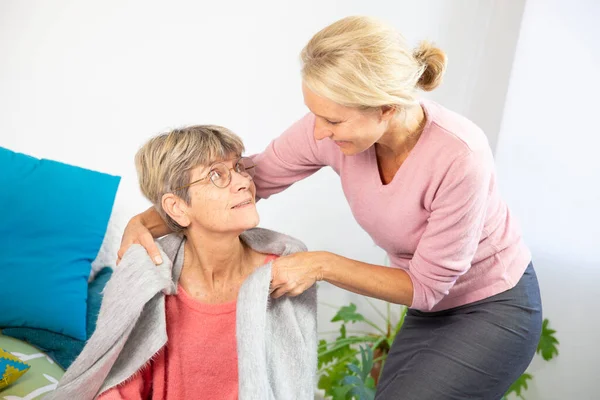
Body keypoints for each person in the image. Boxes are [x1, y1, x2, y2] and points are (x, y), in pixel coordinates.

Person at [118, 16, 542, 399]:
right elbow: (251, 179)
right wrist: (151, 219)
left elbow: (427, 288)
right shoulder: (331, 127)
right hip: (429, 306)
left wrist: (320, 264)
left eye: (333, 121)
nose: (319, 132)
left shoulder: (460, 156)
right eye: (314, 114)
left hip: (493, 305)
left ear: (386, 108)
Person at [47, 126, 317, 400]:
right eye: (216, 175)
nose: (243, 182)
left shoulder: (287, 272)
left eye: (238, 167)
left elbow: (293, 382)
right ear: (177, 208)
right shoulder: (148, 282)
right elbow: (117, 381)